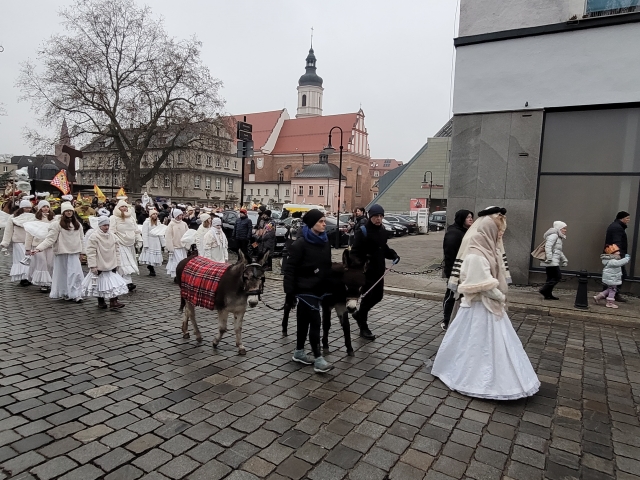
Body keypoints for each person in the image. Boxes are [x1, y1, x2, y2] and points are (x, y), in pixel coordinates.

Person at [431, 208, 540, 400]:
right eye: (497, 230)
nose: (500, 234)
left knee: (493, 344)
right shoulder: (476, 253)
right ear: (489, 230)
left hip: (486, 305)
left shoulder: (487, 248)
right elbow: (481, 285)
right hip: (479, 306)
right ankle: (473, 378)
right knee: (476, 343)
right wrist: (500, 296)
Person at [282, 209, 333, 373]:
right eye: (321, 221)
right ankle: (318, 359)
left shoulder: (325, 242)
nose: (324, 224)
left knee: (303, 322)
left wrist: (329, 285)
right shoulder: (300, 244)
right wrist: (290, 293)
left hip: (319, 289)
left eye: (324, 221)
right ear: (312, 224)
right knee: (316, 322)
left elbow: (327, 266)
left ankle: (299, 352)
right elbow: (289, 269)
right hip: (303, 289)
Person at [350, 204, 399, 340]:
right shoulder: (363, 231)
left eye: (380, 216)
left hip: (379, 270)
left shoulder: (382, 230)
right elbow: (354, 252)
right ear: (370, 217)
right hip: (366, 271)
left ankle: (359, 315)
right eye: (376, 216)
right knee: (366, 299)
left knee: (378, 297)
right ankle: (363, 327)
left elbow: (383, 248)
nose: (378, 219)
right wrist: (361, 263)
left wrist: (393, 255)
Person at [33, 202, 85, 302]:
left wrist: (82, 252)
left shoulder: (77, 224)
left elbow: (82, 239)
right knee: (63, 274)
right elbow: (50, 239)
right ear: (63, 212)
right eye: (67, 211)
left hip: (74, 253)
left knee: (75, 273)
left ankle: (76, 293)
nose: (69, 213)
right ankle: (65, 292)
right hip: (62, 253)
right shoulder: (57, 225)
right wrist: (38, 248)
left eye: (70, 211)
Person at [83, 216, 128, 309]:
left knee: (113, 284)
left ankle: (114, 301)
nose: (106, 227)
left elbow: (117, 250)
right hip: (100, 264)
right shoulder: (94, 236)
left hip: (111, 264)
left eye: (107, 225)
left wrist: (118, 263)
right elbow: (91, 252)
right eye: (104, 225)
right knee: (100, 284)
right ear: (100, 225)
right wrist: (93, 265)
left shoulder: (113, 236)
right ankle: (101, 302)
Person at [441, 209, 474, 330]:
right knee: (451, 295)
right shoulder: (454, 233)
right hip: (455, 271)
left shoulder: (466, 232)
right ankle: (446, 320)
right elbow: (450, 254)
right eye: (467, 217)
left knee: (460, 296)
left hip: (464, 270)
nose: (470, 219)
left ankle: (457, 318)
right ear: (461, 219)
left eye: (471, 216)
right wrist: (451, 273)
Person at [1, 199, 35, 286]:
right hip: (18, 242)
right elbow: (8, 231)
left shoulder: (34, 216)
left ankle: (29, 277)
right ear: (21, 208)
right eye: (26, 208)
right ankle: (23, 278)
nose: (28, 209)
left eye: (29, 208)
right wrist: (5, 243)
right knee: (21, 259)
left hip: (30, 242)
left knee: (30, 259)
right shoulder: (13, 217)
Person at [110, 199, 141, 291]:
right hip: (120, 243)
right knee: (123, 263)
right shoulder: (113, 218)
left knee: (130, 262)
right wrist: (115, 241)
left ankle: (127, 281)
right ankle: (126, 282)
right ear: (118, 208)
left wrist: (139, 239)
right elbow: (111, 231)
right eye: (122, 206)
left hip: (130, 244)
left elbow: (135, 230)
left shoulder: (131, 218)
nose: (124, 208)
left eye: (125, 206)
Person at [25, 200, 55, 293]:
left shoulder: (54, 219)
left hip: (50, 245)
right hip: (37, 245)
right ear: (40, 208)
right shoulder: (35, 219)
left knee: (50, 263)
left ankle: (50, 281)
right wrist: (27, 248)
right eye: (43, 206)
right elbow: (29, 234)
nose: (45, 208)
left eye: (47, 206)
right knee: (42, 263)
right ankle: (43, 283)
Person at [603, 211, 630, 302]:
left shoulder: (615, 226)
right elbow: (617, 241)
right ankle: (612, 294)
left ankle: (606, 293)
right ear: (621, 218)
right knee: (620, 275)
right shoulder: (617, 228)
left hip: (612, 254)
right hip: (615, 255)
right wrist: (618, 254)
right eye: (627, 218)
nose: (628, 220)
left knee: (611, 275)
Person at [593, 244, 630, 309]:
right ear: (612, 254)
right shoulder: (612, 261)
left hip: (611, 278)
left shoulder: (609, 261)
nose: (619, 253)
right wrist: (626, 259)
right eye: (617, 251)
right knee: (613, 290)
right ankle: (610, 302)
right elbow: (619, 263)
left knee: (609, 289)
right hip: (612, 278)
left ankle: (598, 297)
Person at [538, 221, 568, 300]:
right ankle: (544, 290)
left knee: (550, 278)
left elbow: (558, 251)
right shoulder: (554, 235)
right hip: (551, 261)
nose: (565, 230)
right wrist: (549, 257)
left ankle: (548, 295)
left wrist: (564, 260)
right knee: (557, 277)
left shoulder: (558, 237)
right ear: (559, 228)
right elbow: (548, 246)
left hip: (553, 261)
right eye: (564, 228)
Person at [139, 208, 164, 276]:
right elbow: (144, 233)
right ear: (150, 215)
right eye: (153, 214)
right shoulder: (147, 222)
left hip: (156, 241)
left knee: (155, 254)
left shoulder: (158, 223)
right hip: (150, 240)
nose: (155, 215)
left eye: (156, 214)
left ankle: (152, 265)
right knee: (149, 254)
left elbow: (160, 233)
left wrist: (163, 243)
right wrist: (146, 243)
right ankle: (151, 267)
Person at [166, 208, 189, 278]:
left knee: (183, 261)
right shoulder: (171, 224)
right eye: (179, 215)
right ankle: (176, 275)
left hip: (182, 246)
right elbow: (168, 236)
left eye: (181, 215)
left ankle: (182, 275)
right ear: (176, 215)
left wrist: (187, 244)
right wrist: (170, 247)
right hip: (175, 246)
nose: (181, 217)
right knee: (177, 261)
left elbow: (187, 234)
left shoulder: (184, 224)